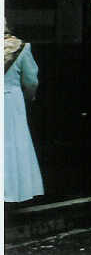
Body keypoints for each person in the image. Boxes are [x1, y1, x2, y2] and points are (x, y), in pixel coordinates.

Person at [4, 25, 44, 203]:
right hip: (11, 101)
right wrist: (29, 98)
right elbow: (31, 81)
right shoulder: (21, 47)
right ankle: (14, 190)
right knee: (13, 145)